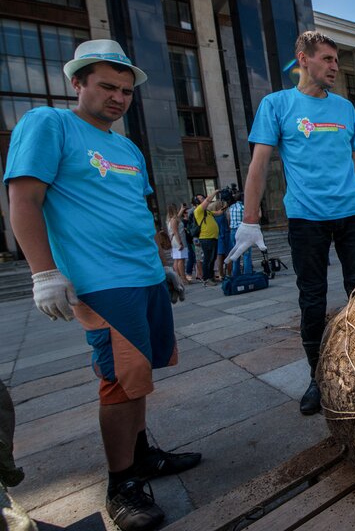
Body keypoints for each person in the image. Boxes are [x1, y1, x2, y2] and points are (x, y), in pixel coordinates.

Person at [4, 39, 199, 531]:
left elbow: (139, 213)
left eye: (126, 91)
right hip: (102, 282)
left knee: (139, 378)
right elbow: (24, 200)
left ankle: (142, 455)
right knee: (118, 382)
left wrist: (164, 265)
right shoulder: (50, 124)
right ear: (78, 83)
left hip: (143, 276)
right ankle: (122, 485)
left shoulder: (127, 146)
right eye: (107, 87)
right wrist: (44, 274)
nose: (118, 98)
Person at [226, 31, 355, 416]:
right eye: (326, 59)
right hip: (307, 220)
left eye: (336, 60)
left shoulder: (345, 109)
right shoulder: (277, 105)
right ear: (303, 59)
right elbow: (258, 164)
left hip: (352, 216)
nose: (334, 66)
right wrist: (250, 219)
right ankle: (317, 378)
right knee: (313, 300)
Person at [194, 190, 221, 286]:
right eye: (201, 199)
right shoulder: (198, 211)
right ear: (197, 202)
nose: (204, 199)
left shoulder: (207, 211)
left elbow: (218, 213)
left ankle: (211, 277)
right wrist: (215, 192)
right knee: (207, 259)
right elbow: (209, 200)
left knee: (212, 258)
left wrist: (227, 204)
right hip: (206, 238)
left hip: (212, 237)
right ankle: (206, 279)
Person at [228, 194, 254, 275]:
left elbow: (228, 218)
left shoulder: (231, 207)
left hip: (233, 231)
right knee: (246, 254)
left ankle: (236, 274)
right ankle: (247, 274)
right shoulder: (244, 207)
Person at [166, 204, 188, 281]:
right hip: (178, 240)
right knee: (181, 260)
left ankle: (178, 277)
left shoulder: (171, 219)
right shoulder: (174, 220)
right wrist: (180, 243)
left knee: (177, 259)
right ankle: (183, 278)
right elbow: (176, 232)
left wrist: (182, 209)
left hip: (174, 241)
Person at [214, 201, 230, 279]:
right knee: (228, 254)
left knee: (219, 256)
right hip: (225, 235)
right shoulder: (222, 214)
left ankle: (221, 273)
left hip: (218, 236)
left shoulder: (214, 216)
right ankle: (229, 272)